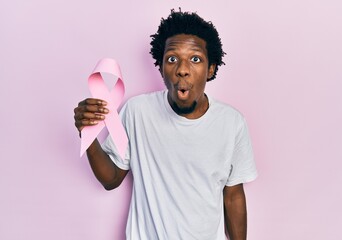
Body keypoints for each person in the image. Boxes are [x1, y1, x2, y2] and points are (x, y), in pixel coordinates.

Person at [74, 9, 257, 240]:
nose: (182, 69)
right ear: (161, 68)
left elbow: (233, 196)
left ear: (211, 69)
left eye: (195, 59)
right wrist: (87, 132)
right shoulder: (137, 112)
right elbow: (111, 179)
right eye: (172, 59)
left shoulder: (232, 123)